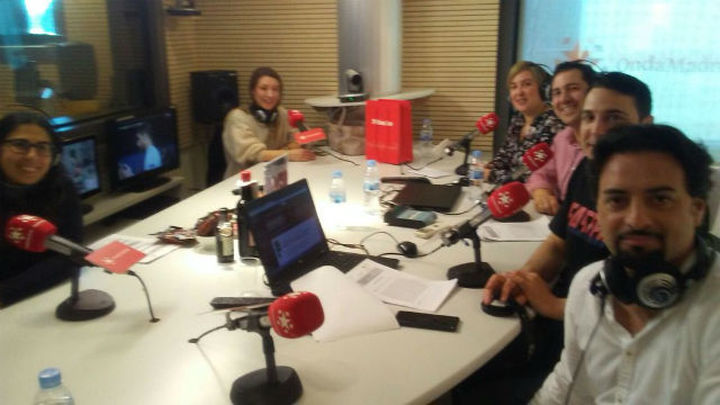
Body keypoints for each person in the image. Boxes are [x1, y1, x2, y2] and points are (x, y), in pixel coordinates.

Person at [468, 72, 653, 404]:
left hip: (604, 357)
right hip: (564, 331)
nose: (596, 130)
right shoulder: (587, 170)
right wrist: (521, 277)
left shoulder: (656, 204)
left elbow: (644, 308)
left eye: (614, 118)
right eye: (589, 117)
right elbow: (557, 243)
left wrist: (554, 306)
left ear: (646, 124)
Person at [533, 124, 719, 404]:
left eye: (660, 199)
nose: (636, 219)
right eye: (617, 200)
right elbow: (566, 386)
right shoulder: (588, 286)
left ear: (697, 210)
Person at [0, 112, 82, 308]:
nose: (31, 156)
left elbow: (71, 255)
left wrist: (5, 295)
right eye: (20, 144)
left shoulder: (61, 188)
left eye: (42, 147)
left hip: (36, 298)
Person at [525, 61, 597, 215]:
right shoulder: (562, 138)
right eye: (557, 92)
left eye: (573, 88)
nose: (564, 99)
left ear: (593, 93)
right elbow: (541, 174)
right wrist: (541, 191)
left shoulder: (606, 143)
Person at [222, 66, 315, 178]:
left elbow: (301, 139)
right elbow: (253, 154)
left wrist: (285, 149)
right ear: (253, 91)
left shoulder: (281, 113)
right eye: (263, 88)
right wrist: (288, 154)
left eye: (275, 89)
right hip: (242, 181)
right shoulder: (237, 117)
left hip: (274, 177)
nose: (270, 95)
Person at [485, 61, 564, 185]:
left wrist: (492, 174)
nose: (519, 92)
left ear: (544, 90)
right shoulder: (518, 120)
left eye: (526, 84)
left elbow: (529, 179)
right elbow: (502, 158)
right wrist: (493, 169)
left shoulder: (553, 125)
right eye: (513, 87)